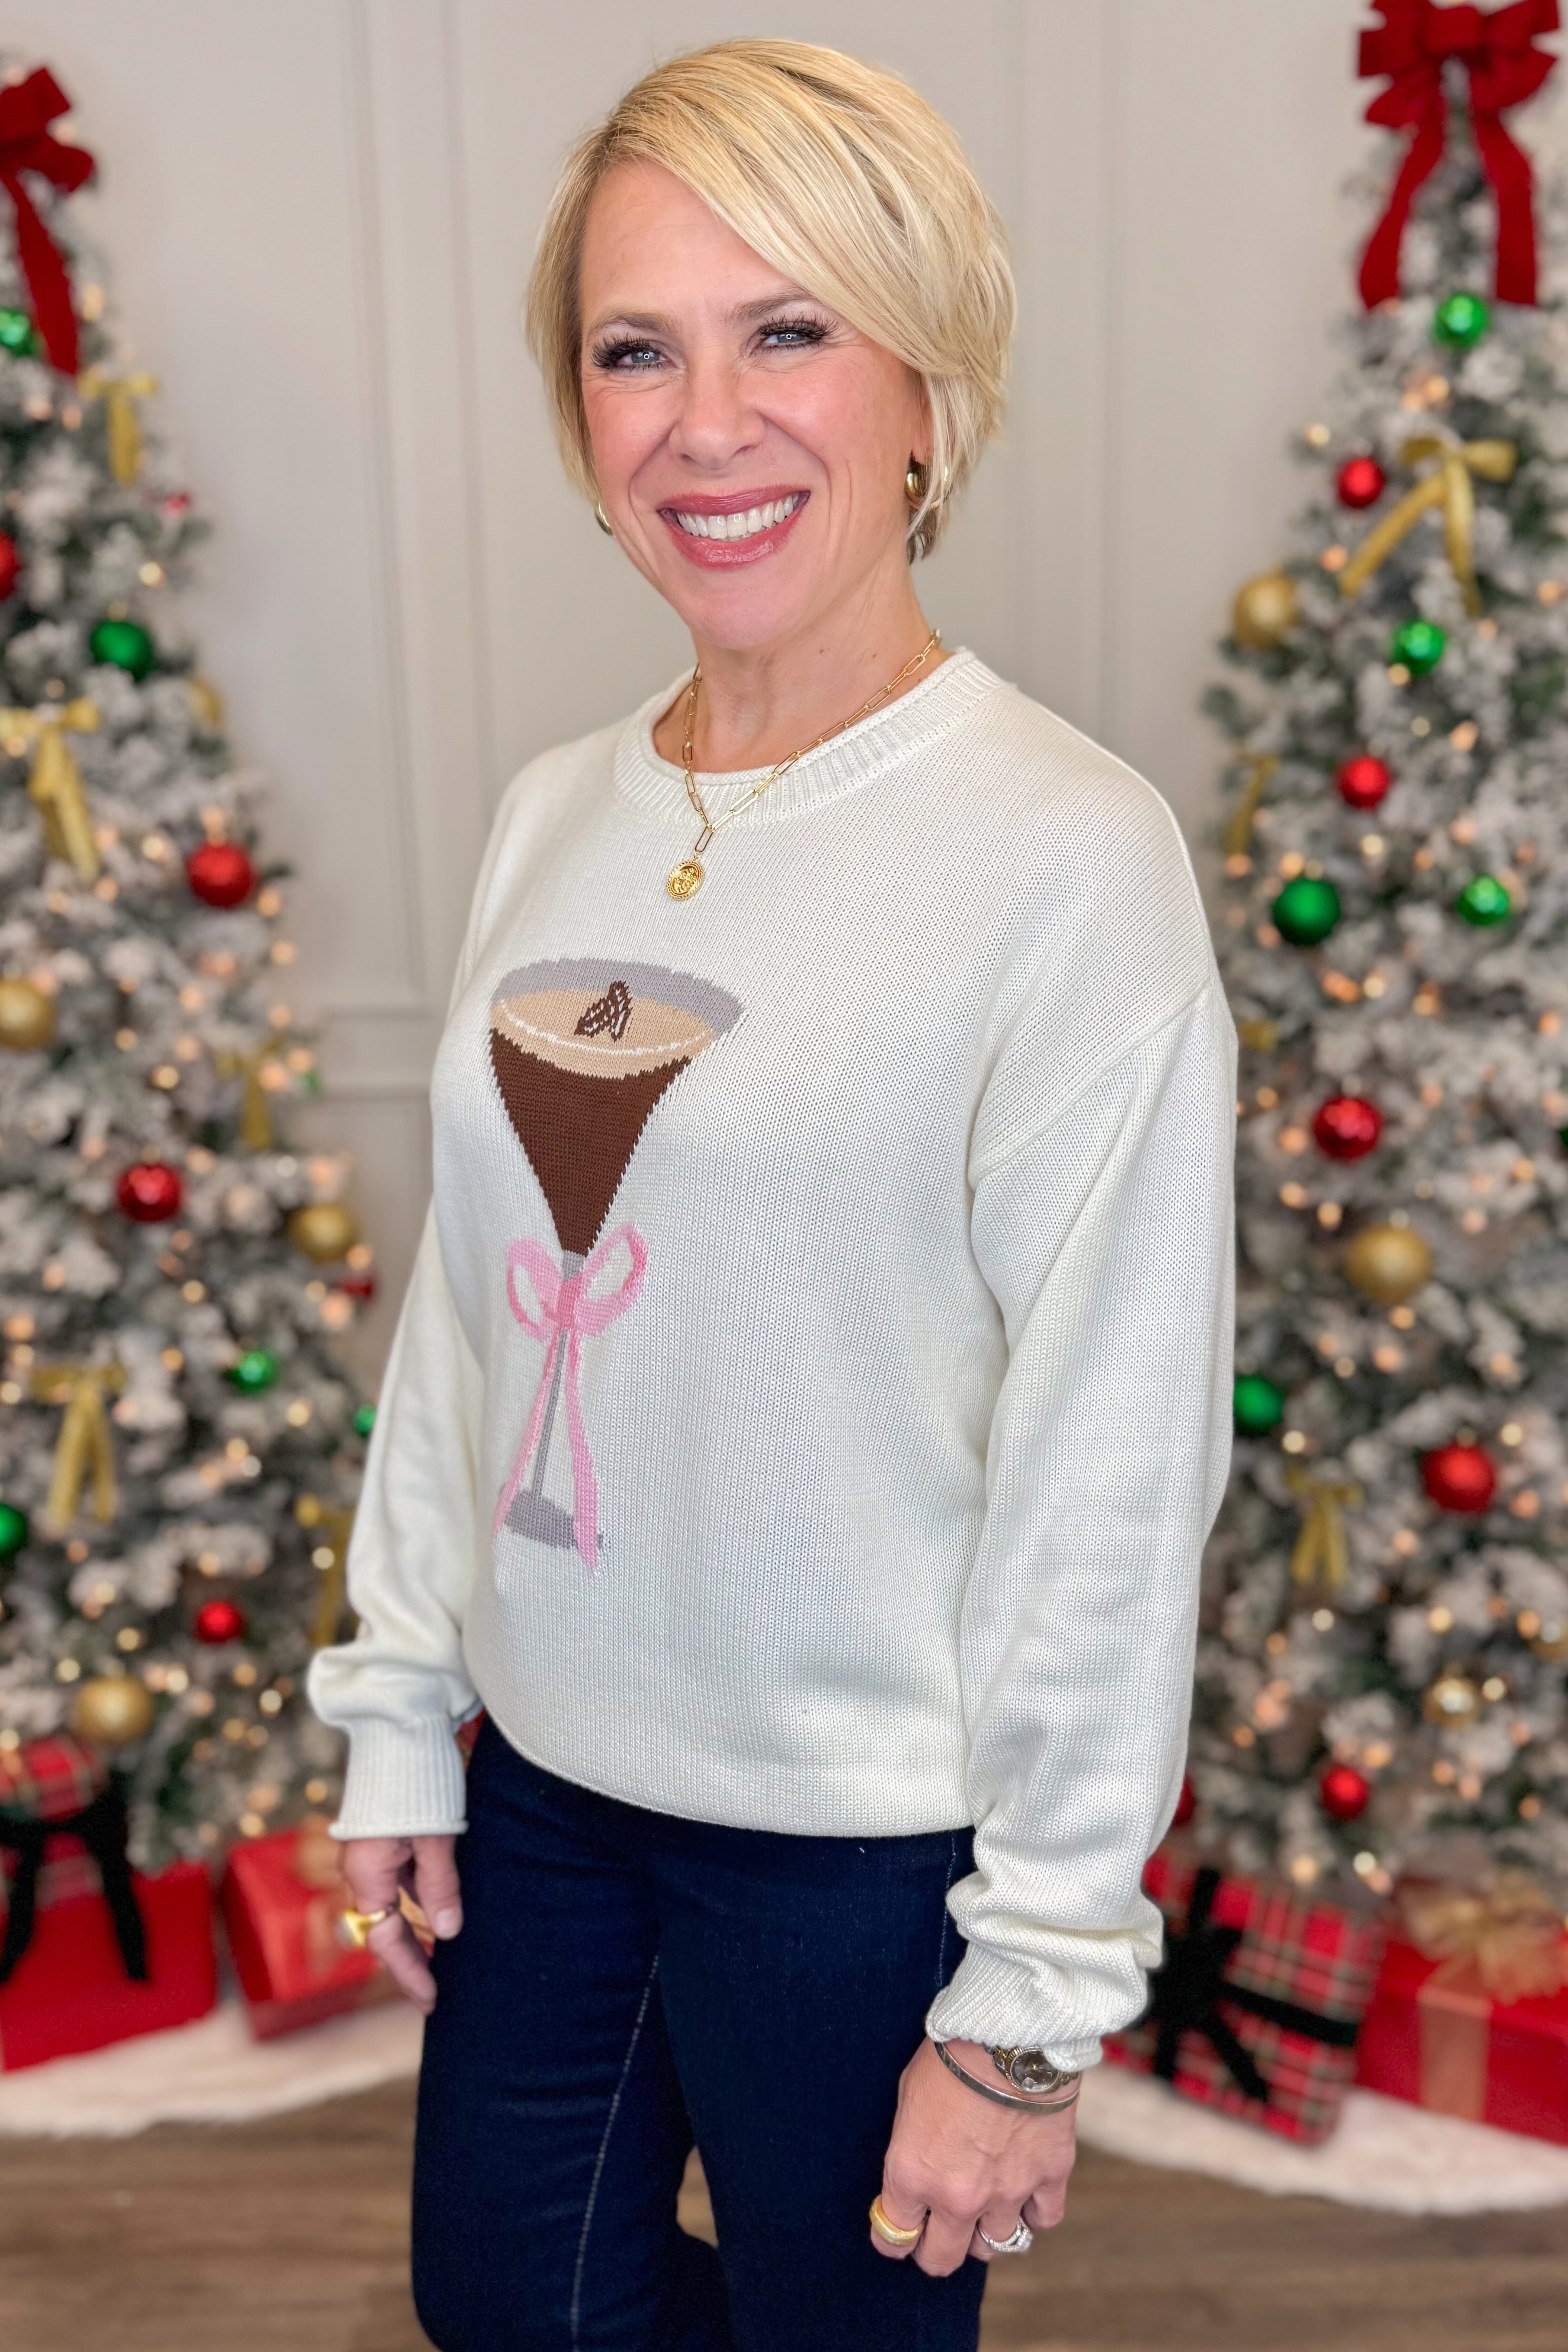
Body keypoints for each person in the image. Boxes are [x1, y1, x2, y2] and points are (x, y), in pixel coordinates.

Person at [309, 36, 1236, 2352]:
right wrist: (402, 1705)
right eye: (636, 350)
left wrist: (1025, 1999)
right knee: (507, 2310)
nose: (702, 421)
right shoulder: (553, 808)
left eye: (786, 328)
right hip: (545, 1801)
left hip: (859, 1853)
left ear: (924, 384)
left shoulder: (1062, 858)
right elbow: (480, 1313)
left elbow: (1110, 1461)